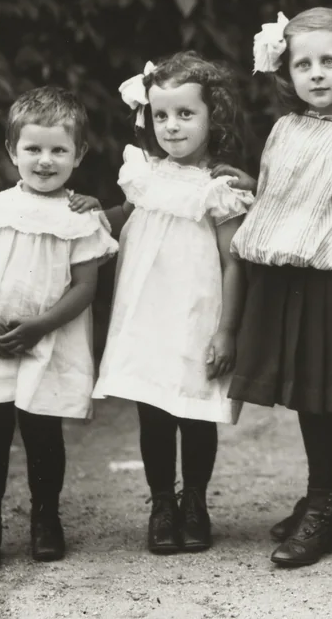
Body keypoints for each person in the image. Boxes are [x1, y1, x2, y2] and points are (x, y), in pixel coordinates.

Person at [227, 7, 332, 568]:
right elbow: (286, 195)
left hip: (330, 287)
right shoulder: (283, 128)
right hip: (280, 281)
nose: (318, 74)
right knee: (303, 395)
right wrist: (249, 188)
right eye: (304, 64)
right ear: (287, 72)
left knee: (324, 400)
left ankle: (323, 505)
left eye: (330, 61)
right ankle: (325, 495)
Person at [82, 51, 254, 555]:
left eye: (185, 114)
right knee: (153, 413)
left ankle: (195, 501)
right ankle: (162, 503)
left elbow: (233, 262)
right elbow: (127, 215)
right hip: (147, 314)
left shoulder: (219, 189)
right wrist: (98, 211)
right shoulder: (143, 174)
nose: (172, 126)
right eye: (161, 115)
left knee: (197, 412)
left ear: (212, 117)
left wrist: (227, 330)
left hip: (198, 316)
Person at [0, 87, 118, 569]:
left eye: (59, 149)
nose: (45, 160)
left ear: (78, 154)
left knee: (43, 434)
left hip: (47, 342)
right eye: (33, 149)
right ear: (11, 152)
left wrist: (40, 325)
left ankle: (46, 518)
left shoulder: (80, 219)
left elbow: (85, 287)